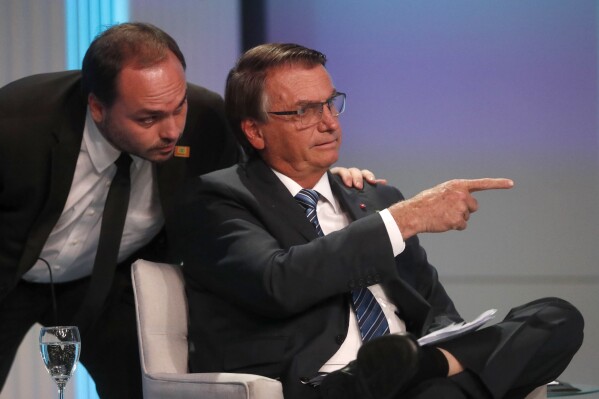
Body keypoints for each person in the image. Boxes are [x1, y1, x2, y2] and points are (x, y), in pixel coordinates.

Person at [176, 43, 584, 399]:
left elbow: (433, 308)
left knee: (556, 316)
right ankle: (420, 370)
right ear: (255, 131)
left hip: (415, 374)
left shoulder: (373, 198)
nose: (329, 123)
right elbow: (278, 282)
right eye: (304, 111)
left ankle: (427, 365)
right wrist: (402, 219)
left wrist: (450, 342)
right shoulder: (219, 199)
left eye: (330, 102)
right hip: (327, 384)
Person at [0, 23, 376, 398]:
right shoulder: (18, 123)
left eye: (177, 107)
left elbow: (266, 174)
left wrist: (326, 178)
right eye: (148, 118)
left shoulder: (205, 119)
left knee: (142, 386)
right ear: (98, 107)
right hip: (10, 271)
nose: (172, 130)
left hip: (112, 278)